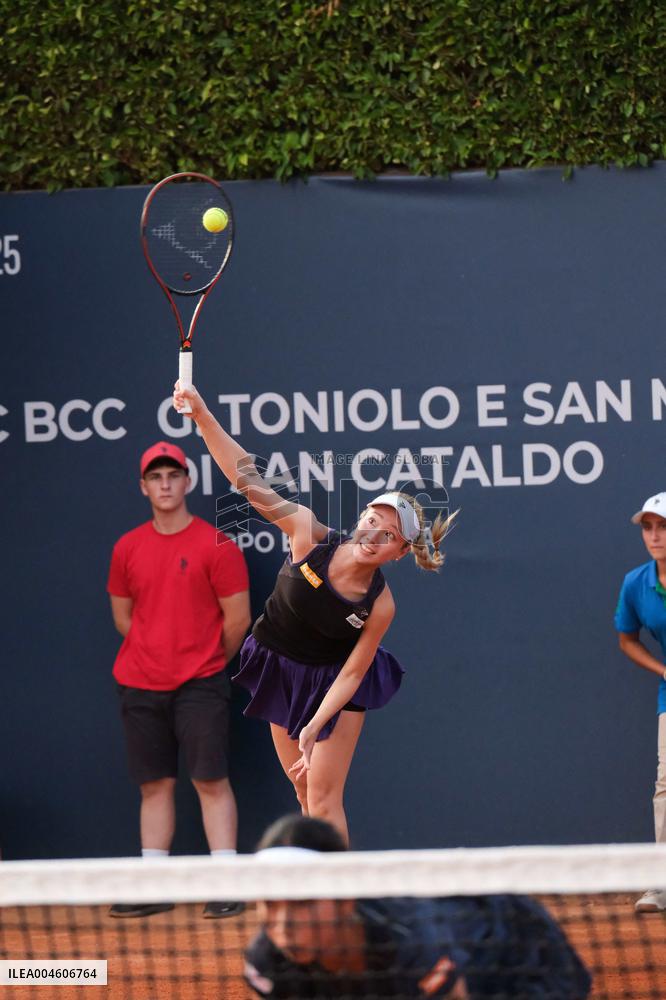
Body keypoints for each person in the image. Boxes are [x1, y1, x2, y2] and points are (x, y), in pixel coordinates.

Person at [173, 383, 456, 845]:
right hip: (280, 666)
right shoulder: (307, 533)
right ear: (361, 514)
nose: (373, 535)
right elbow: (248, 480)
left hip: (333, 685)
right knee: (304, 792)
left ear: (400, 553)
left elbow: (351, 675)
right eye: (372, 520)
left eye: (388, 535)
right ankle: (317, 897)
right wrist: (202, 415)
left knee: (324, 803)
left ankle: (343, 906)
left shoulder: (379, 606)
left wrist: (314, 724)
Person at [107, 440, 251, 918]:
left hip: (202, 682)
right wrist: (157, 651)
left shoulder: (217, 544)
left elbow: (238, 621)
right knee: (155, 785)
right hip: (140, 682)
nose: (165, 484)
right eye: (155, 477)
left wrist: (204, 660)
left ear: (187, 482)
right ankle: (153, 886)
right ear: (143, 486)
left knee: (210, 780)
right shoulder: (127, 547)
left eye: (173, 475)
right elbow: (124, 618)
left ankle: (228, 883)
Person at [243, 815, 592, 999]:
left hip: (517, 957)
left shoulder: (412, 941)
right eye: (270, 903)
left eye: (302, 903)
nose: (283, 924)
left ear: (343, 897)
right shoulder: (267, 958)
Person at [615, 491, 666, 913]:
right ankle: (663, 882)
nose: (654, 535)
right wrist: (663, 670)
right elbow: (627, 639)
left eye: (663, 526)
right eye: (648, 527)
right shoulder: (636, 583)